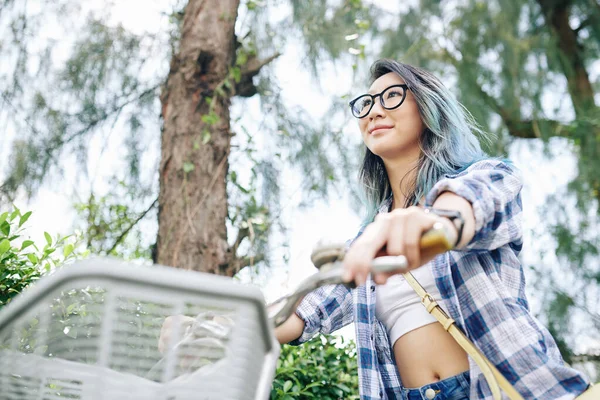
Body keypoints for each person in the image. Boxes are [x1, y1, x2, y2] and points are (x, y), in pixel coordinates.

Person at [274, 59, 590, 400]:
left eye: (391, 96)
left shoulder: (488, 175)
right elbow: (302, 314)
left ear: (427, 107)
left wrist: (432, 222)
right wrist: (232, 319)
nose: (374, 112)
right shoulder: (365, 245)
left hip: (506, 389)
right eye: (366, 103)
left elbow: (469, 208)